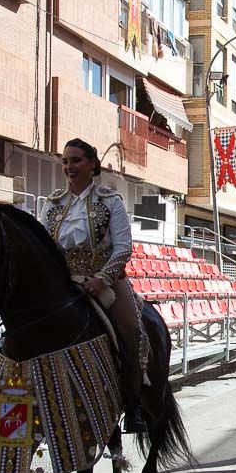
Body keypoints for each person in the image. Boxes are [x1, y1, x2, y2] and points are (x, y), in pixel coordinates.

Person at [42, 138, 149, 430]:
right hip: (63, 284)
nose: (69, 166)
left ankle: (133, 402)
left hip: (105, 282)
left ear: (92, 164)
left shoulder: (110, 200)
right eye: (65, 161)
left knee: (131, 329)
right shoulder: (52, 203)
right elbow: (43, 246)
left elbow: (123, 247)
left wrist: (102, 279)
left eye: (76, 160)